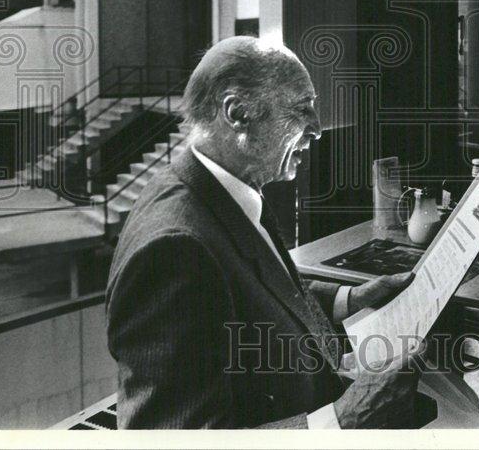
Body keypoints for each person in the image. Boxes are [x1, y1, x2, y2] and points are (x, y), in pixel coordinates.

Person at [106, 35, 418, 428]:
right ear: (237, 114)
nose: (318, 129)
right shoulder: (173, 251)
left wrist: (349, 299)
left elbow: (253, 292)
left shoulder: (225, 188)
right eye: (302, 110)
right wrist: (347, 419)